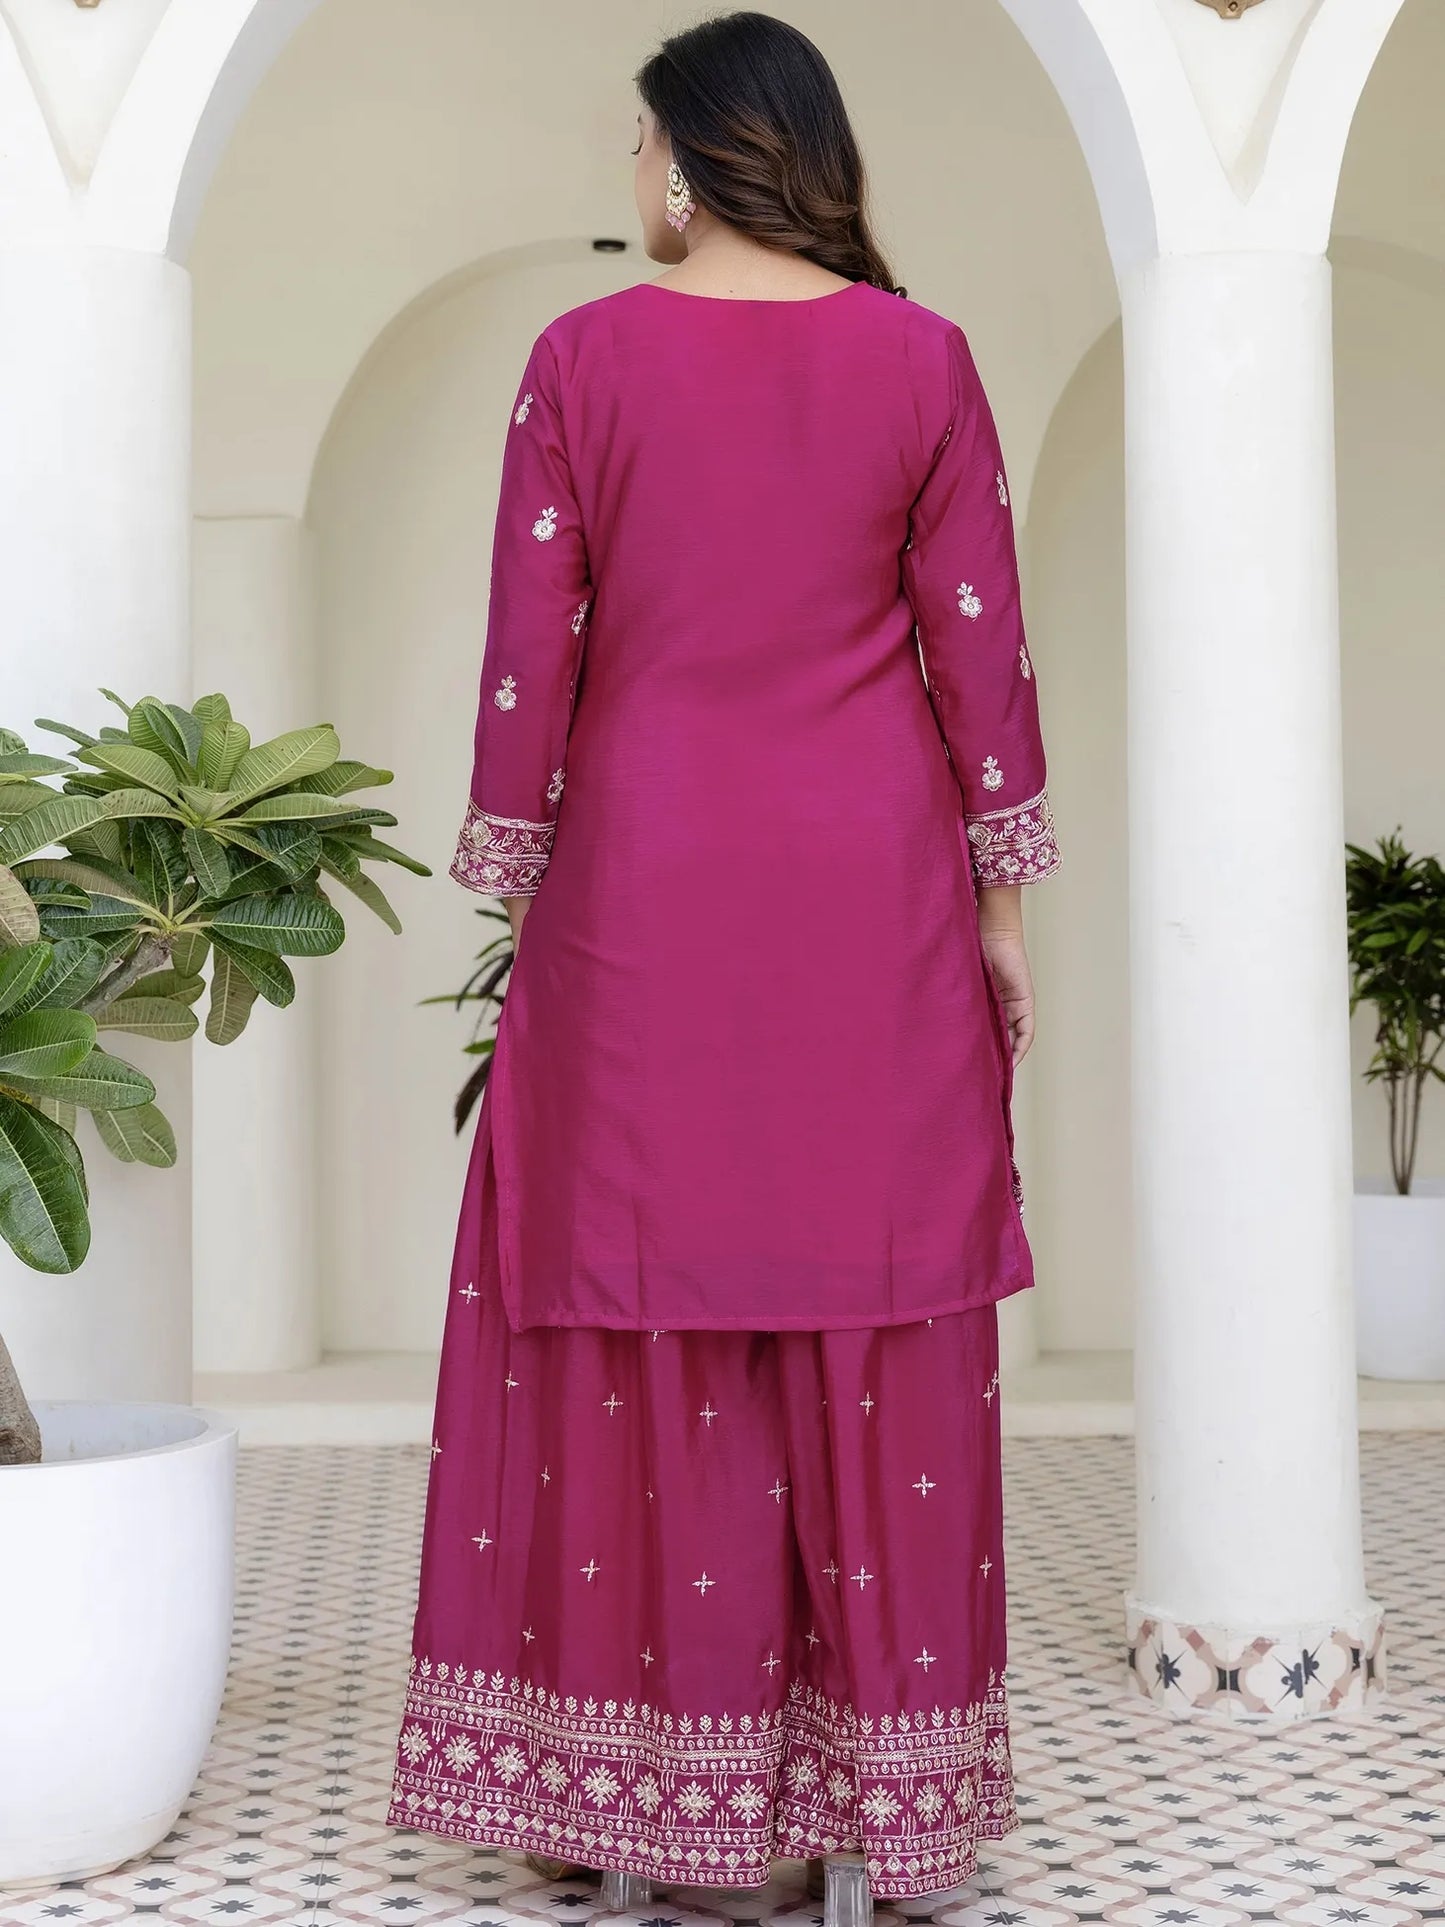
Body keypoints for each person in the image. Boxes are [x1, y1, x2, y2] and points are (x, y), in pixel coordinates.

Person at [387, 11, 1060, 1919]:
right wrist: (1001, 914)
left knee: (633, 1301)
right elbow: (980, 652)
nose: (629, 175)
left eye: (635, 145)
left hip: (643, 890)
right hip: (873, 892)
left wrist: (517, 879)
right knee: (871, 1296)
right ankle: (878, 1820)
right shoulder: (921, 357)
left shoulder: (581, 358)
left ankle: (621, 1799)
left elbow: (528, 656)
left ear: (686, 162)